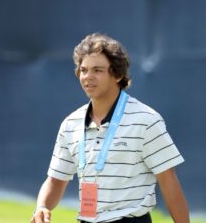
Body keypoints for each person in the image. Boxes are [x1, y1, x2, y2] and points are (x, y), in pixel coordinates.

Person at [31, 33, 190, 223]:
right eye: (83, 70)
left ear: (118, 74)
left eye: (97, 70)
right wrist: (42, 206)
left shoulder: (146, 120)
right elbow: (56, 180)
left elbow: (168, 181)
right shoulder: (70, 124)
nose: (88, 77)